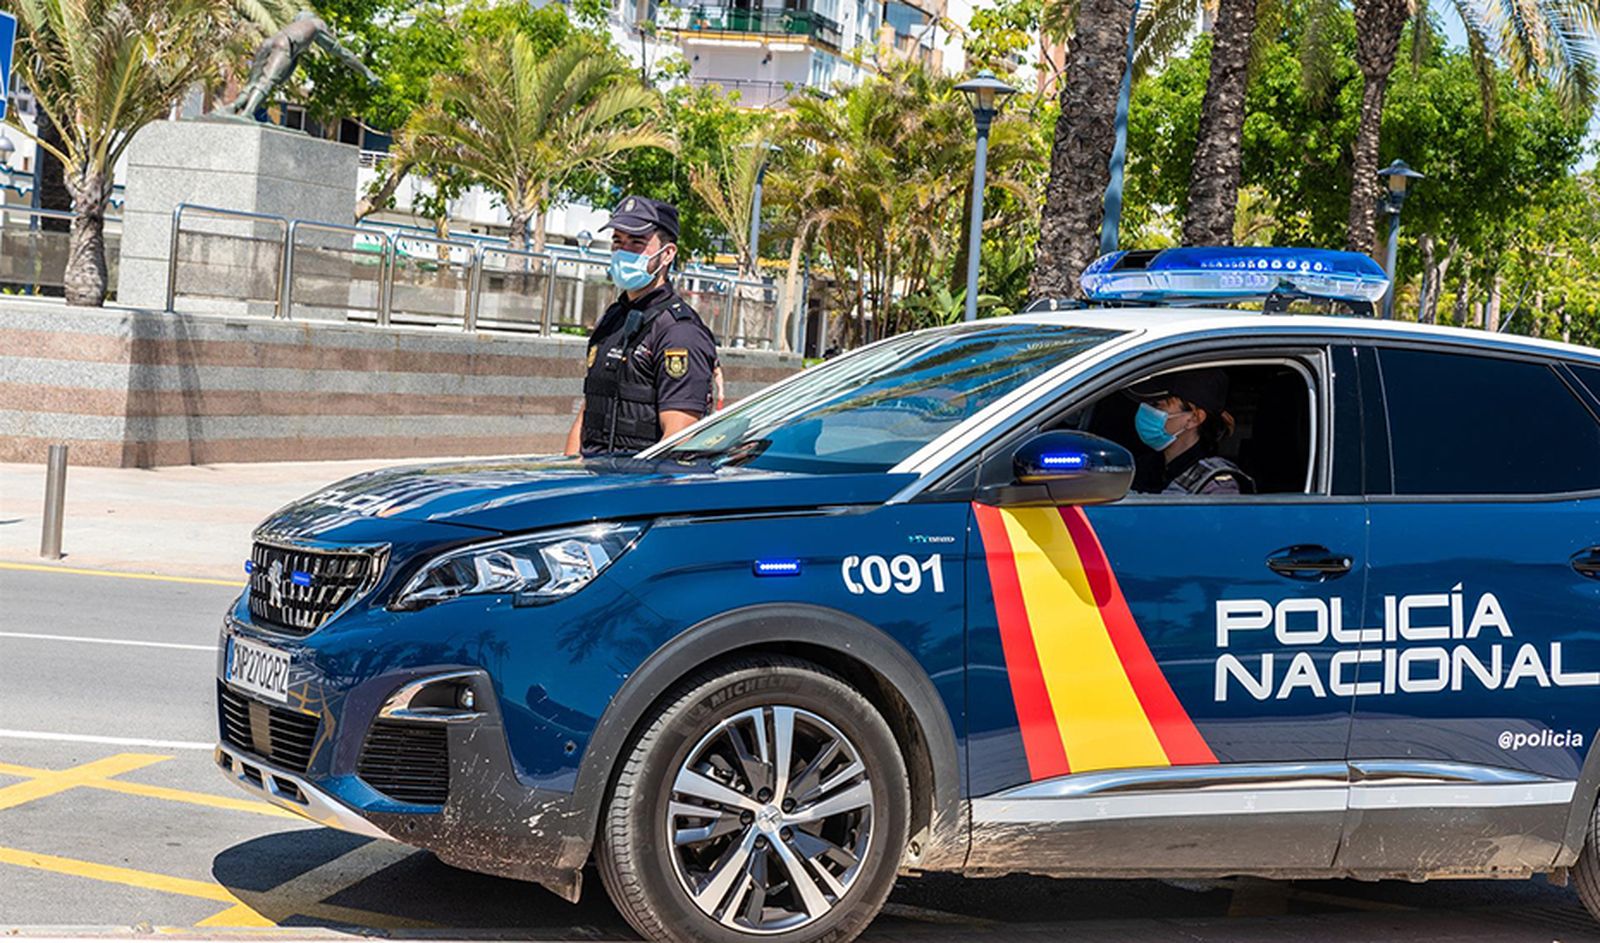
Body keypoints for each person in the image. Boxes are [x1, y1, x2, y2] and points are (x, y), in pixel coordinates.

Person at [565, 196, 718, 456]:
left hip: (636, 487)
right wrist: (568, 477)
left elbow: (679, 438)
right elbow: (587, 411)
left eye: (637, 243)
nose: (623, 251)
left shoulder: (679, 332)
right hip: (592, 482)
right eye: (618, 241)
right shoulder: (613, 318)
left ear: (667, 254)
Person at [1127, 369, 1254, 495]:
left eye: (1156, 405)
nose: (1145, 410)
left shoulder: (1215, 484)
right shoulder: (1145, 466)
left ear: (1194, 418)